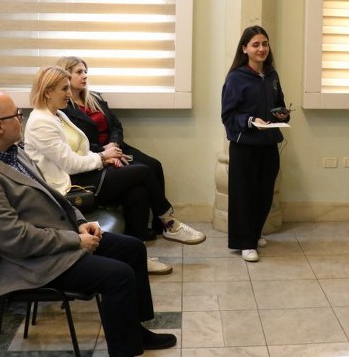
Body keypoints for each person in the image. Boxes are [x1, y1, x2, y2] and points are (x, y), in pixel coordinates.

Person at [0, 89, 175, 356]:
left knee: (133, 249)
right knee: (119, 276)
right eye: (17, 115)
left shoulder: (10, 152)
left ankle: (136, 332)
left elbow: (51, 194)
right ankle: (125, 350)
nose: (22, 119)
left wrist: (79, 222)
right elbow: (16, 240)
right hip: (31, 263)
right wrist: (76, 241)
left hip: (56, 240)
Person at [23, 66, 205, 272]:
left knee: (138, 192)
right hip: (69, 186)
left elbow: (80, 151)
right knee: (143, 171)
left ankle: (138, 256)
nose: (69, 94)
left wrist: (106, 158)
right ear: (48, 92)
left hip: (83, 175)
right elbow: (70, 164)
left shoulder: (56, 115)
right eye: (64, 89)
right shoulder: (40, 122)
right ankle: (168, 222)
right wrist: (102, 158)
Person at [57, 56, 169, 237]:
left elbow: (115, 124)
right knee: (140, 177)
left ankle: (161, 224)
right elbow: (77, 143)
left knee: (154, 165)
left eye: (85, 71)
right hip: (95, 153)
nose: (85, 76)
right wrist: (105, 151)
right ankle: (164, 222)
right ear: (66, 75)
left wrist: (114, 143)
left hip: (115, 146)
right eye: (79, 72)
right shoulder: (63, 107)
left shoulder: (94, 97)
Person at [221, 26, 290, 263]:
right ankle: (245, 243)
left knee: (264, 194)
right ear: (245, 49)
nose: (261, 49)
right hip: (245, 146)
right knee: (244, 196)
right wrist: (251, 121)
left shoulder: (272, 75)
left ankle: (255, 233)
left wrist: (282, 114)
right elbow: (228, 115)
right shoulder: (235, 78)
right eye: (256, 44)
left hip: (268, 144)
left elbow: (279, 103)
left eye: (265, 44)